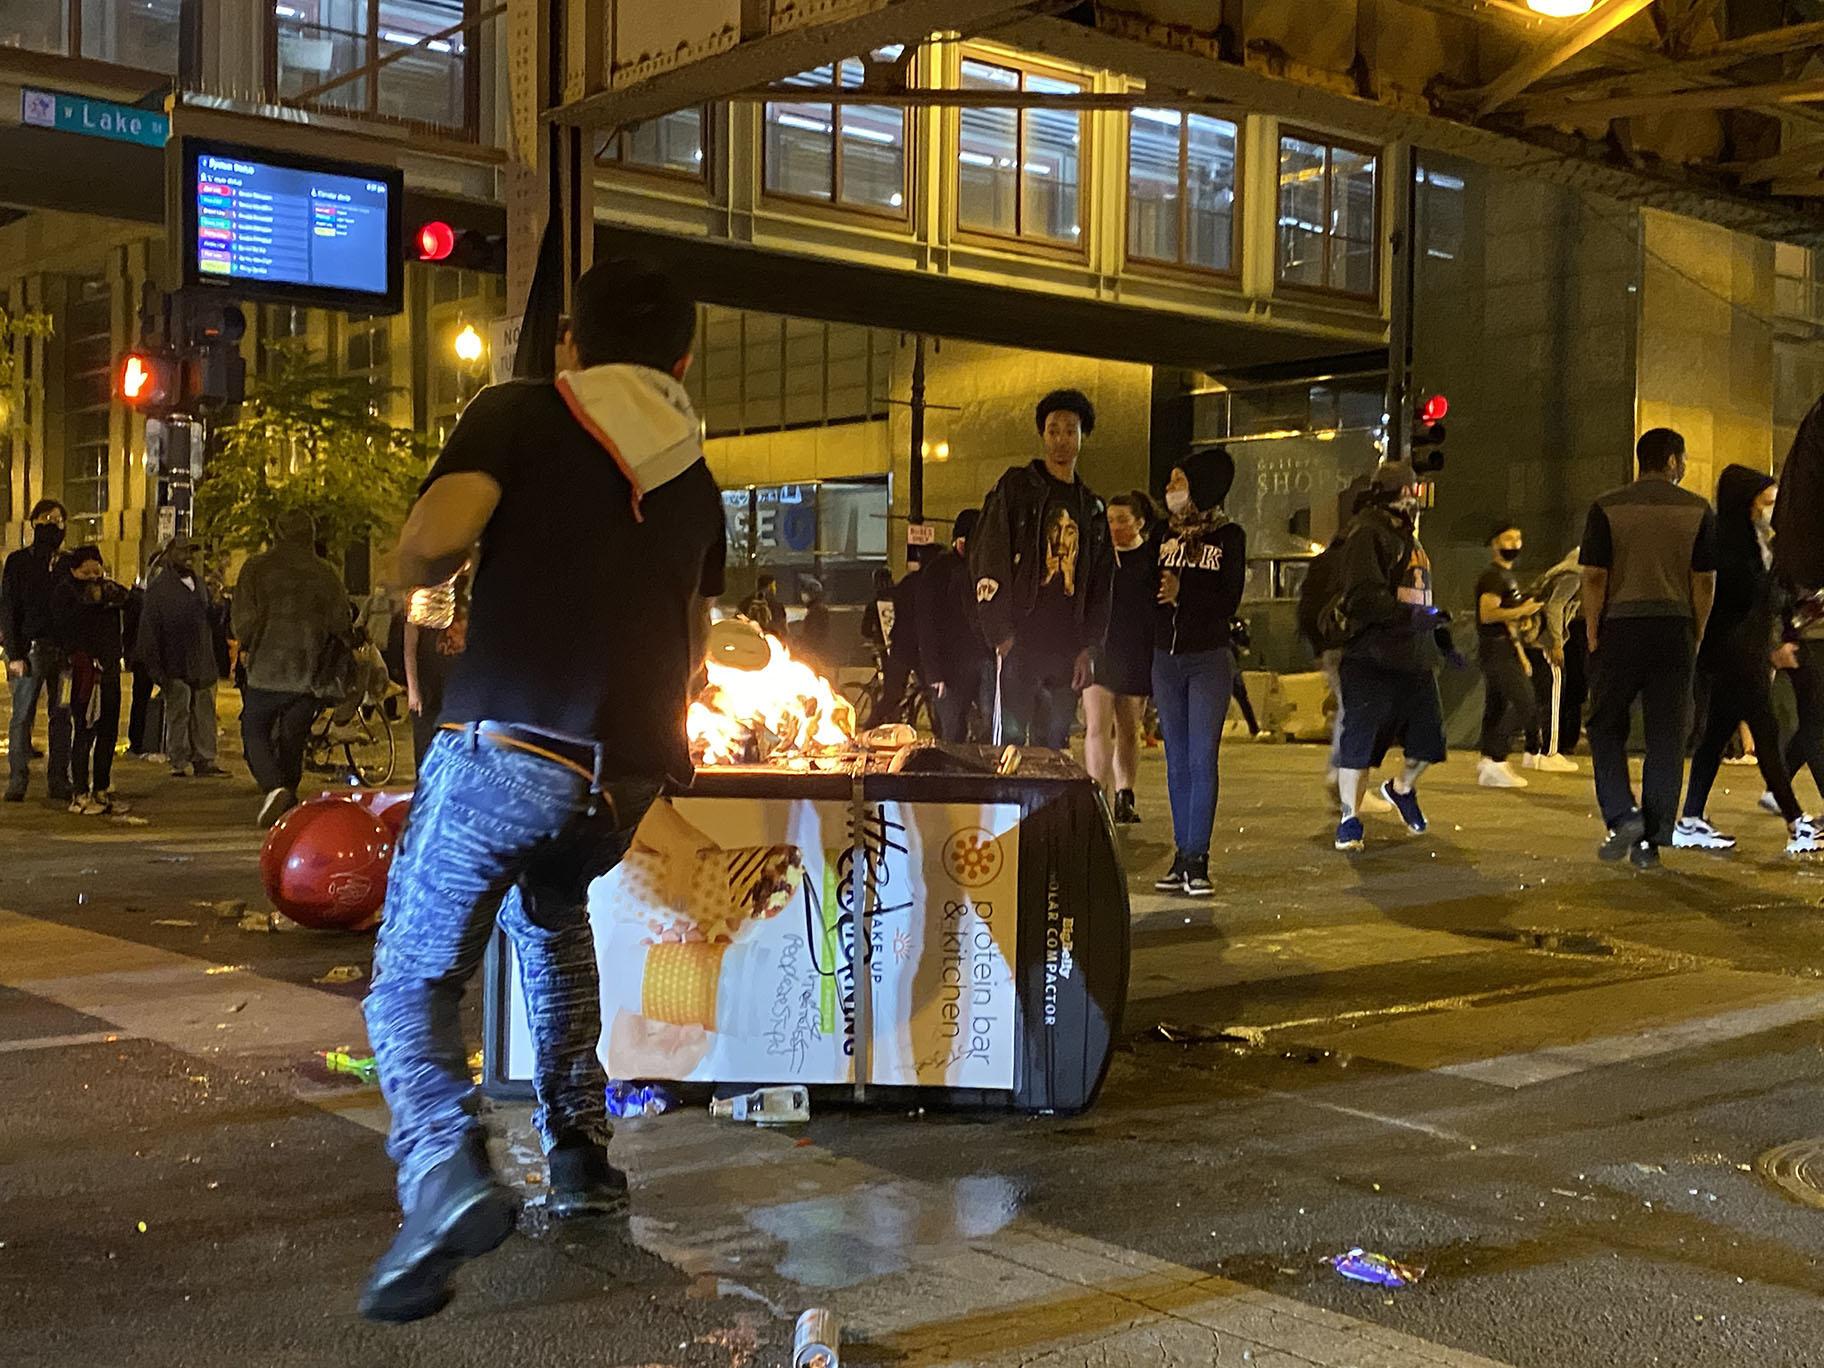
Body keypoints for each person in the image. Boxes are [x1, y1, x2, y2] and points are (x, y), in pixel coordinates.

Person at [359, 258, 725, 1323]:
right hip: (630, 775)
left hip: (511, 744)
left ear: (572, 342)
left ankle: (442, 1171)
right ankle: (580, 1159)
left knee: (412, 975)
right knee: (554, 921)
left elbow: (433, 538)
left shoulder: (519, 412)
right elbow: (694, 649)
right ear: (683, 360)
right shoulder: (696, 478)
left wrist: (405, 574)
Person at [1580, 428, 1717, 870]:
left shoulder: (1607, 506)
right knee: (1666, 736)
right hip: (1674, 628)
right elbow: (1704, 581)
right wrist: (1696, 630)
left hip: (1620, 627)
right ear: (1674, 461)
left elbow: (1595, 576)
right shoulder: (1698, 510)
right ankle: (1651, 840)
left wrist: (1593, 629)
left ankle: (1623, 814)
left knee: (1604, 725)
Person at [1675, 465, 1821, 855]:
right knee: (1767, 735)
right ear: (1747, 502)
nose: (1771, 508)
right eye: (1766, 500)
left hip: (1743, 653)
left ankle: (1690, 819)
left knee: (1715, 738)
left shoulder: (1757, 542)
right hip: (1737, 654)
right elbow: (1737, 605)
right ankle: (1796, 823)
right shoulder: (1729, 549)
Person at [971, 388, 1115, 748]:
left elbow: (1102, 585)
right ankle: (1012, 807)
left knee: (1055, 744)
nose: (1061, 440)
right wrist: (999, 633)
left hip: (1068, 644)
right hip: (1019, 638)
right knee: (1010, 745)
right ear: (1042, 435)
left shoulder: (1093, 508)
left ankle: (1049, 807)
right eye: (1053, 430)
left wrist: (1090, 647)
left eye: (1070, 430)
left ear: (1083, 436)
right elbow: (988, 555)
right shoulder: (1017, 488)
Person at [1330, 461, 1450, 853]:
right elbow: (1364, 597)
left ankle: (1402, 789)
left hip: (1413, 656)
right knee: (1360, 740)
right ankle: (1350, 818)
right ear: (1394, 494)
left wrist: (1433, 632)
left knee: (1428, 740)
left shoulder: (1406, 536)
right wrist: (1414, 616)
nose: (1414, 499)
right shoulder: (1368, 533)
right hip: (1372, 656)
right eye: (1409, 491)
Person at [1150, 450, 1247, 896]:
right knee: (1175, 762)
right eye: (1170, 482)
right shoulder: (1161, 535)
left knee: (1200, 757)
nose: (1172, 490)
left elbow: (1228, 601)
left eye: (1179, 481)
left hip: (1207, 658)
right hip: (1165, 660)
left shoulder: (1229, 537)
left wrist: (1184, 592)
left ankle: (1198, 856)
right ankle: (1180, 852)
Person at [234, 508, 354, 827]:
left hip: (266, 671)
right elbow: (341, 622)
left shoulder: (256, 569)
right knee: (293, 736)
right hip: (309, 672)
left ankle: (276, 788)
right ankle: (287, 796)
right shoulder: (325, 573)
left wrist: (251, 641)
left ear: (277, 533)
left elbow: (243, 624)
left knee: (254, 728)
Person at [1084, 492, 1155, 820]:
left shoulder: (1151, 558)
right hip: (1100, 650)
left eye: (1122, 520)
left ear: (1139, 522)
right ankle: (1097, 795)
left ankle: (1125, 794)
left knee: (1128, 727)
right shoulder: (1098, 558)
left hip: (1136, 650)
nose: (1115, 527)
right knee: (1097, 725)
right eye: (1110, 520)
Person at [137, 537, 228, 780]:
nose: (189, 556)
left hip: (201, 662)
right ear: (169, 554)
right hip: (174, 663)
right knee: (179, 712)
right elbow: (149, 630)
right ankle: (178, 759)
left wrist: (218, 605)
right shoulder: (159, 589)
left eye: (192, 551)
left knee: (204, 712)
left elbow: (210, 622)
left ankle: (205, 759)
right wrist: (155, 668)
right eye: (183, 551)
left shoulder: (198, 583)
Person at [51, 545, 131, 816]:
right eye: (86, 571)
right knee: (84, 731)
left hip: (108, 669)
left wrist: (111, 594)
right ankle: (80, 792)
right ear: (74, 570)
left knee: (108, 731)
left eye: (97, 569)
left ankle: (102, 787)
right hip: (82, 672)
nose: (93, 576)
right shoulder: (65, 592)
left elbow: (130, 601)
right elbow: (65, 625)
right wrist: (91, 599)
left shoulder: (107, 588)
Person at [2, 499, 73, 802]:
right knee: (22, 716)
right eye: (47, 519)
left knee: (62, 716)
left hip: (63, 651)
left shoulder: (68, 563)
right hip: (30, 649)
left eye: (59, 520)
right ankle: (18, 778)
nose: (54, 525)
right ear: (34, 523)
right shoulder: (19, 562)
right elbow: (8, 608)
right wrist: (14, 653)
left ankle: (58, 779)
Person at [1773, 397, 1824, 812]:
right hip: (1812, 603)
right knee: (1815, 716)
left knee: (1814, 713)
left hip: (1806, 594)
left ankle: (1778, 787)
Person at [1473, 523, 1543, 790]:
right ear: (1495, 543)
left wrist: (1521, 646)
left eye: (1518, 538)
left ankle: (1489, 759)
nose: (1514, 544)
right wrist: (1522, 610)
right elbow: (1488, 614)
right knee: (1524, 701)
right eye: (1508, 538)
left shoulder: (1508, 577)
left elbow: (1509, 619)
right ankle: (1497, 759)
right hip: (1495, 648)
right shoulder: (1493, 577)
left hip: (1507, 646)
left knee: (1497, 705)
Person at [916, 509, 993, 743]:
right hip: (950, 669)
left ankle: (984, 775)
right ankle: (953, 777)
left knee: (990, 726)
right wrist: (935, 673)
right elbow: (926, 624)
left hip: (983, 661)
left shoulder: (985, 569)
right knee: (953, 731)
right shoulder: (938, 572)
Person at [1520, 548, 1585, 772]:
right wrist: (1557, 643)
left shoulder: (1555, 574)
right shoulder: (1573, 577)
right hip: (1544, 644)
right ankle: (1550, 752)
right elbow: (1555, 607)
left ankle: (1533, 751)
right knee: (1553, 695)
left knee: (1536, 698)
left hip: (1531, 642)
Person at [404, 565, 470, 773]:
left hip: (456, 688)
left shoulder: (464, 606)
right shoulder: (422, 601)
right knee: (425, 747)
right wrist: (413, 688)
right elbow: (410, 648)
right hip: (428, 688)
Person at [795, 576, 833, 676]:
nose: (802, 596)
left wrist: (802, 643)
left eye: (805, 593)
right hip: (818, 650)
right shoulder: (818, 608)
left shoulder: (816, 611)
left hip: (813, 651)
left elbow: (812, 633)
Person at [739, 572, 789, 640]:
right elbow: (783, 629)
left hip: (748, 640)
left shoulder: (745, 603)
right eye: (774, 586)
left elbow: (737, 622)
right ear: (770, 586)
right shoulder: (776, 606)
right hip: (771, 640)